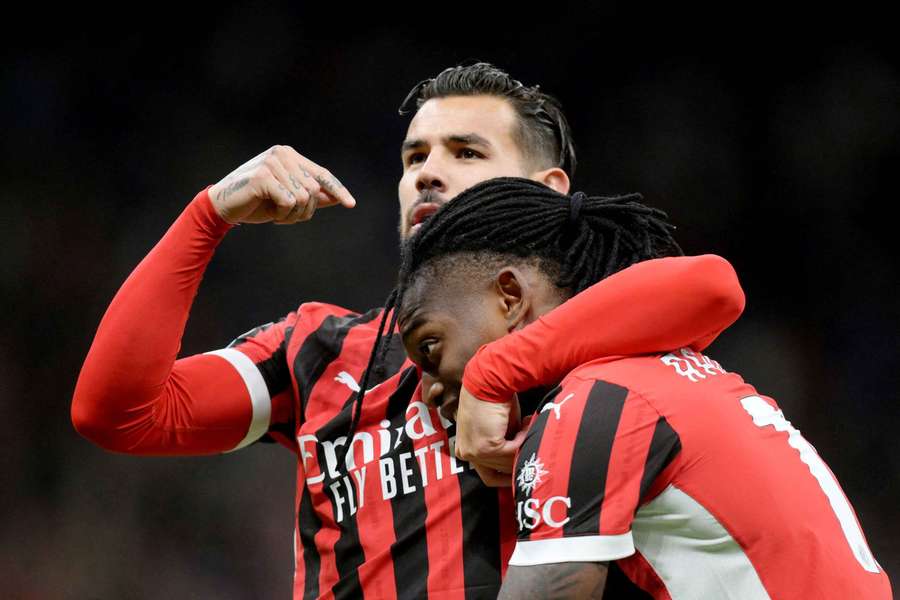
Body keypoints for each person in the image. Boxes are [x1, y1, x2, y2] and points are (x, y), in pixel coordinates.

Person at [71, 63, 746, 598]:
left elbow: (712, 287)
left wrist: (497, 371)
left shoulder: (595, 332)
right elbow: (118, 413)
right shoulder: (322, 351)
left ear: (544, 189)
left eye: (466, 151)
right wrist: (208, 215)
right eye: (413, 155)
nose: (427, 170)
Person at [394, 177, 893, 599]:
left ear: (510, 296)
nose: (429, 390)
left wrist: (493, 371)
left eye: (431, 348)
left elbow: (715, 284)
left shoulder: (593, 404)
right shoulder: (667, 372)